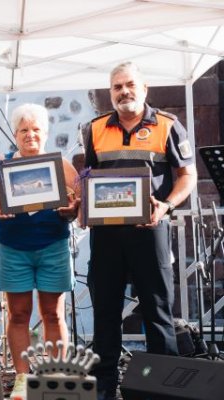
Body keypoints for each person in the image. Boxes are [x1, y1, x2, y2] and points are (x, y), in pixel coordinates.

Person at [82, 62, 197, 400]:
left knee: (158, 310)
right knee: (105, 312)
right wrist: (79, 206)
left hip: (151, 231)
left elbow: (187, 176)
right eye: (117, 87)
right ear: (110, 92)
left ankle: (164, 389)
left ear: (145, 88)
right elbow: (88, 179)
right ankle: (103, 387)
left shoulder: (169, 125)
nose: (123, 92)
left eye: (130, 85)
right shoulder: (94, 129)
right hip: (105, 237)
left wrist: (166, 205)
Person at [0, 103, 79, 399]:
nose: (30, 135)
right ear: (15, 133)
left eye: (36, 129)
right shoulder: (0, 165)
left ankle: (57, 377)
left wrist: (71, 210)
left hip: (52, 246)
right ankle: (23, 378)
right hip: (13, 248)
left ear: (45, 133)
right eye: (24, 130)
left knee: (54, 315)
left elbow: (78, 202)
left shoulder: (61, 164)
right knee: (19, 314)